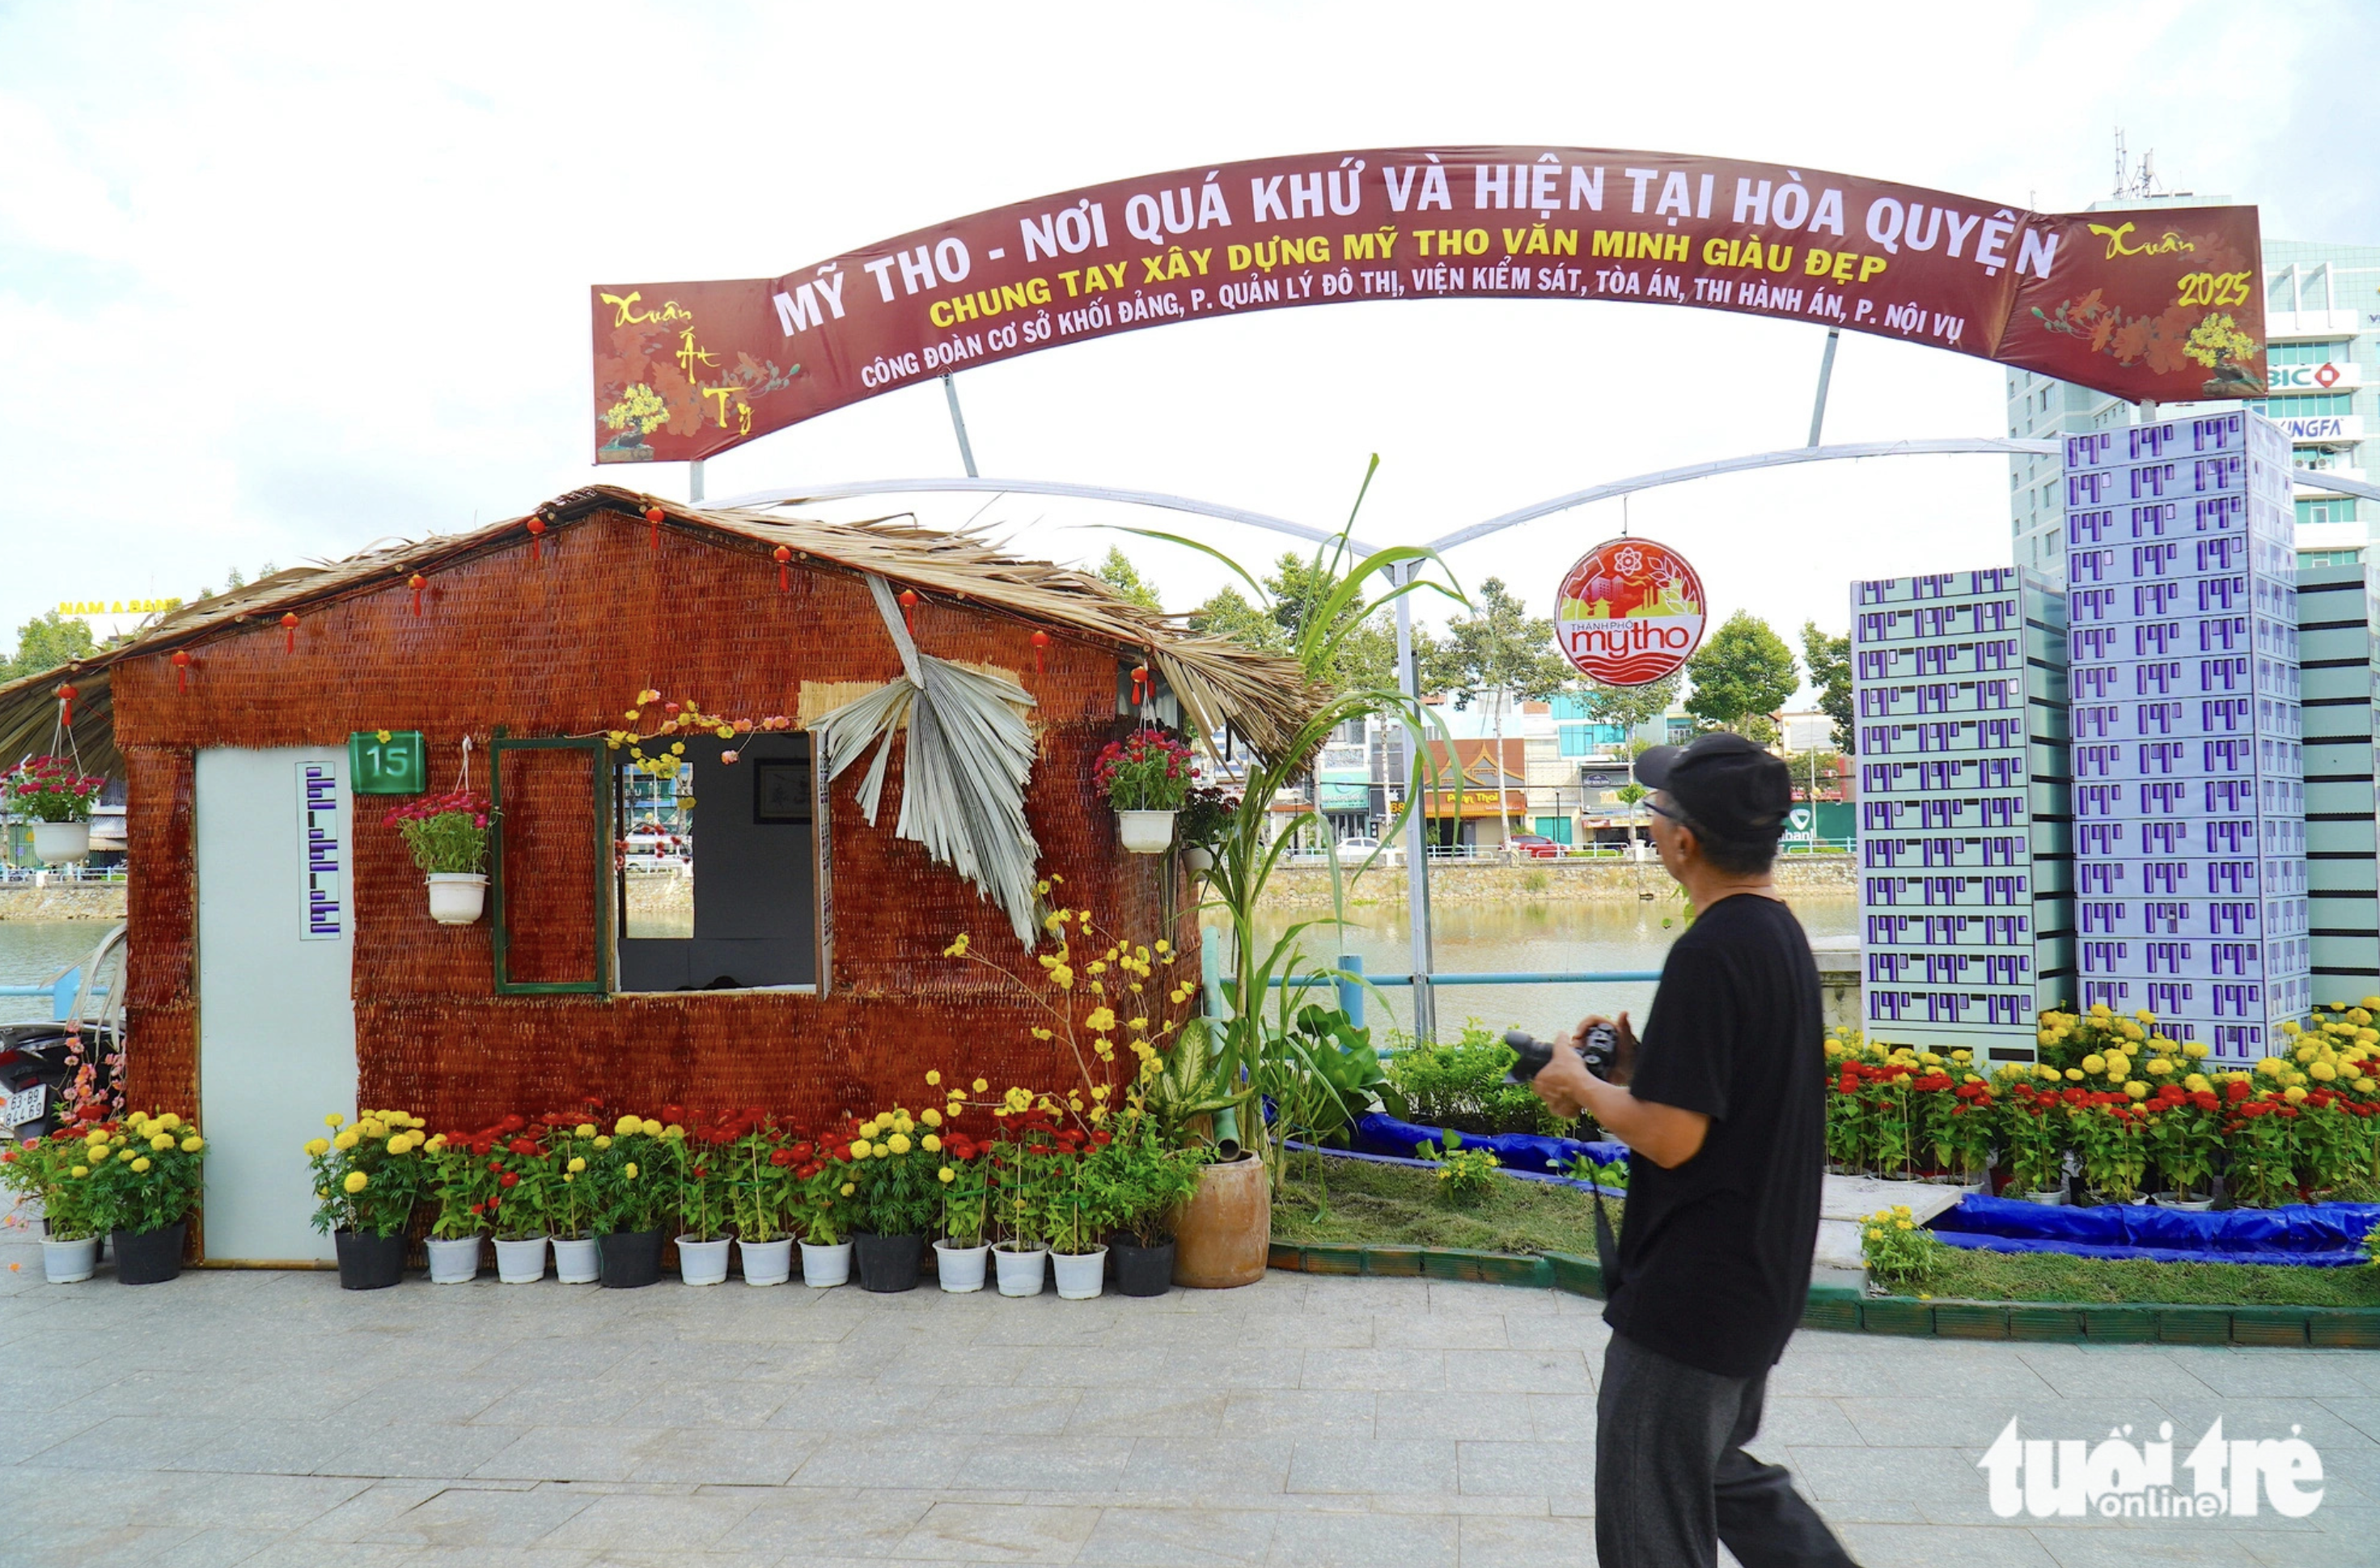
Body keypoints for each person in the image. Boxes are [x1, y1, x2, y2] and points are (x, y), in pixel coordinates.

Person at [1528, 732, 1853, 1568]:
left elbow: (1671, 1139)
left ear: (1683, 842)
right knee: (1712, 1476)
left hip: (1691, 1298)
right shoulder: (1774, 935)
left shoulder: (1709, 952)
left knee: (1649, 1521)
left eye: (1656, 811)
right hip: (1755, 1279)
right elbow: (1723, 1098)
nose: (1650, 822)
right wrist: (1640, 1070)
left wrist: (1578, 1083)